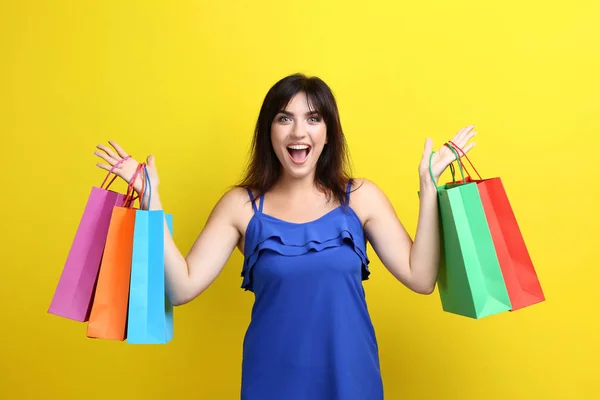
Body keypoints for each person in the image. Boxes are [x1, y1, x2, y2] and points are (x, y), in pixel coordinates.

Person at [94, 73, 476, 399]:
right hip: (272, 378)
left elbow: (421, 277)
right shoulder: (240, 206)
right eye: (284, 118)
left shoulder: (361, 198)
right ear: (269, 132)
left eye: (312, 119)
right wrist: (151, 199)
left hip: (350, 377)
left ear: (328, 134)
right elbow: (181, 288)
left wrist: (428, 187)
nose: (298, 132)